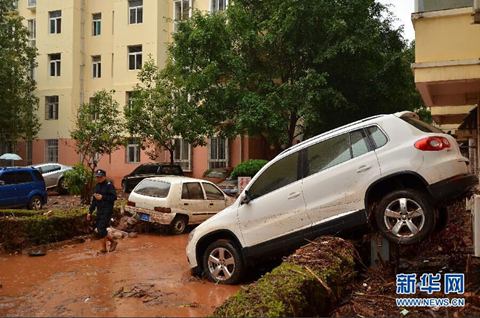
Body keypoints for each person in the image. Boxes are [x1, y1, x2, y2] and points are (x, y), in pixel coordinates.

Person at [87, 169, 118, 253]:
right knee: (101, 230)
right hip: (99, 210)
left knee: (101, 229)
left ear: (104, 177)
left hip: (107, 210)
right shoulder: (97, 186)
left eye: (100, 177)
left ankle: (106, 246)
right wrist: (90, 212)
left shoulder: (109, 185)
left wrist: (103, 197)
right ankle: (110, 244)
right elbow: (94, 201)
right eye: (97, 177)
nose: (99, 178)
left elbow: (114, 197)